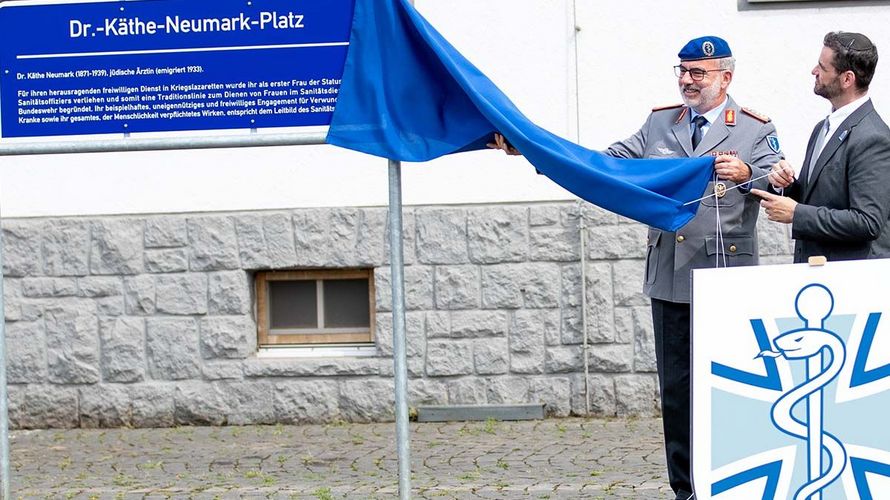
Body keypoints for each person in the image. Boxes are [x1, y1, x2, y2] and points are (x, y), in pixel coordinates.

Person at [490, 36, 783, 499]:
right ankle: (685, 489)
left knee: (732, 386)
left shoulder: (753, 127)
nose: (687, 80)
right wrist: (535, 151)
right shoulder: (659, 122)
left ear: (726, 77)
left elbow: (778, 180)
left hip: (726, 278)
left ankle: (734, 482)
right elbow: (604, 167)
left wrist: (747, 174)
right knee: (677, 392)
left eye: (698, 73)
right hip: (670, 277)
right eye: (682, 71)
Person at [755, 32, 890, 262]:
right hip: (817, 274)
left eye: (822, 67)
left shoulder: (873, 138)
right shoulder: (823, 127)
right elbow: (817, 198)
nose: (814, 71)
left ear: (847, 79)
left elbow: (868, 222)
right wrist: (784, 185)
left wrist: (796, 214)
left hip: (850, 279)